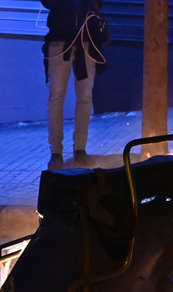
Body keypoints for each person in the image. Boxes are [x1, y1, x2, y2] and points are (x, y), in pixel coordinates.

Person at [41, 0, 107, 170]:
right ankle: (56, 152)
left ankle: (79, 149)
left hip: (86, 40)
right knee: (57, 97)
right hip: (60, 40)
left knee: (84, 96)